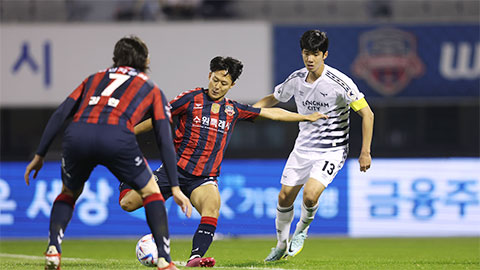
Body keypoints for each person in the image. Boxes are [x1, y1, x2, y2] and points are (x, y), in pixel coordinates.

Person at [118, 56, 328, 267]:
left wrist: (305, 117)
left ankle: (195, 257)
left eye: (224, 83)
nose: (217, 86)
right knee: (127, 203)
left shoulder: (232, 109)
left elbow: (272, 113)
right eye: (215, 80)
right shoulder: (189, 99)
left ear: (232, 85)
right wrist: (128, 134)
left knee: (212, 208)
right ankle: (130, 175)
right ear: (209, 76)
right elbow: (158, 118)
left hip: (203, 178)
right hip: (173, 171)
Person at [24, 35, 192, 270]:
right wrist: (174, 187)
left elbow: (61, 113)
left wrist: (39, 154)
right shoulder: (149, 87)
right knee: (151, 191)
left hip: (78, 135)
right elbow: (164, 137)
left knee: (69, 192)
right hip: (116, 137)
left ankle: (53, 247)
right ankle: (164, 259)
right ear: (144, 60)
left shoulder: (93, 79)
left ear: (116, 58)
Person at [255, 30, 374, 261]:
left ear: (325, 54)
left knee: (310, 196)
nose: (310, 59)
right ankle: (281, 244)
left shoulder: (340, 83)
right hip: (302, 149)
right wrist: (249, 111)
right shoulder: (296, 79)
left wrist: (365, 152)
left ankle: (301, 230)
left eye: (315, 54)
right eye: (306, 53)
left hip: (332, 150)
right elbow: (274, 97)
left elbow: (368, 114)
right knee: (283, 198)